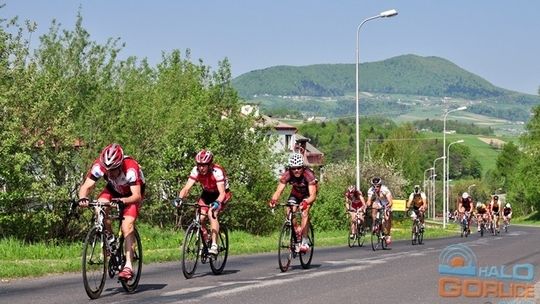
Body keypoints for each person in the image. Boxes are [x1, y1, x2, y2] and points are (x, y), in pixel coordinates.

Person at [78, 143, 145, 280]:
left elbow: (136, 196)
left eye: (113, 169)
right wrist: (82, 198)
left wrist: (123, 201)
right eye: (107, 170)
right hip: (113, 189)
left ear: (120, 164)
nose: (110, 173)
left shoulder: (131, 168)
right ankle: (109, 238)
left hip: (131, 195)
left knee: (127, 226)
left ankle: (128, 266)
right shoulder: (100, 166)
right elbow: (86, 186)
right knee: (99, 206)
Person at [177, 149, 232, 255]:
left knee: (212, 213)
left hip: (221, 194)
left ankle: (214, 245)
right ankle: (206, 239)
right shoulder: (196, 170)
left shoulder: (217, 171)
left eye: (204, 165)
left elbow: (222, 193)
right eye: (199, 165)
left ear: (210, 164)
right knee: (200, 218)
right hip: (207, 193)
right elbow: (186, 188)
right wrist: (179, 198)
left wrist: (217, 203)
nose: (201, 168)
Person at [269, 153, 318, 253]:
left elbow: (313, 195)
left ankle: (304, 240)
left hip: (307, 195)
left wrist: (306, 202)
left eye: (299, 168)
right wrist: (273, 200)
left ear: (303, 167)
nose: (296, 170)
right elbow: (279, 191)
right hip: (295, 194)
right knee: (289, 210)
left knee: (305, 211)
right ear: (290, 168)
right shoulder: (287, 174)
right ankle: (297, 230)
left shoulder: (308, 175)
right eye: (294, 168)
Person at [366, 177, 394, 246]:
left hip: (386, 203)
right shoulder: (371, 190)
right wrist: (366, 206)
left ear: (380, 185)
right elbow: (369, 201)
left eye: (377, 186)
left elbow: (390, 202)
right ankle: (375, 224)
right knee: (373, 207)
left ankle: (388, 234)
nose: (376, 188)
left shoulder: (385, 190)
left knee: (387, 218)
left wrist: (387, 207)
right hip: (378, 202)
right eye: (374, 186)